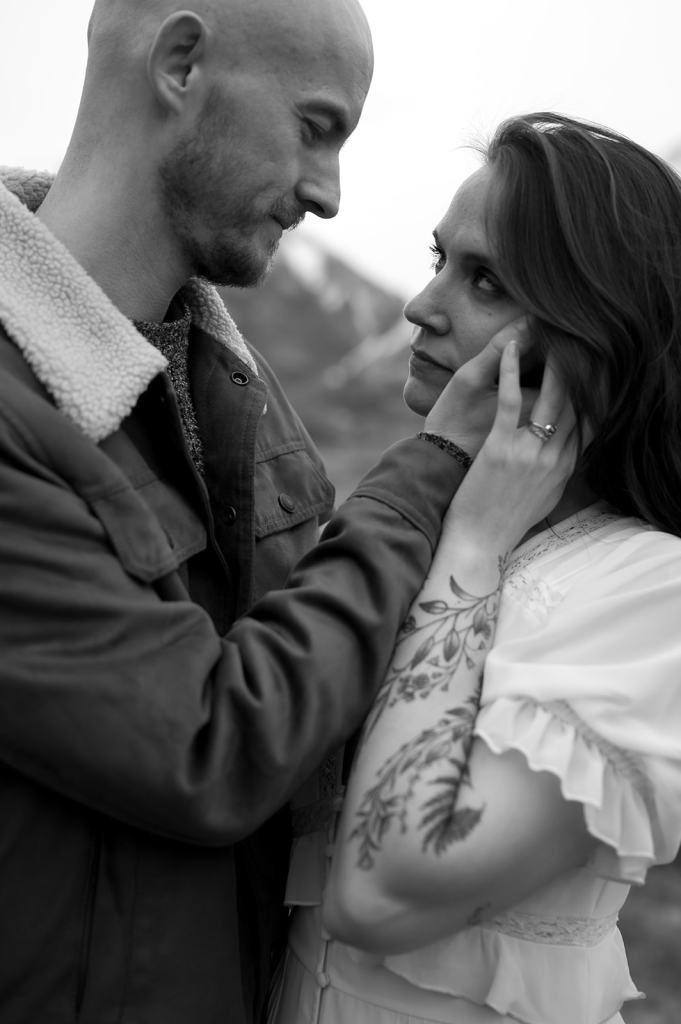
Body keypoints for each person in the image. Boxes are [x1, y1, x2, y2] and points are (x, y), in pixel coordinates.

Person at [0, 2, 525, 1023]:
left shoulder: (244, 400)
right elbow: (214, 746)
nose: (328, 192)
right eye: (316, 126)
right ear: (183, 64)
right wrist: (432, 471)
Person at [270, 113, 681, 1024]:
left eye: (484, 280)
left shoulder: (655, 594)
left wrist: (472, 546)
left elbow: (379, 895)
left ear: (596, 334)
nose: (422, 305)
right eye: (437, 260)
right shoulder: (415, 529)